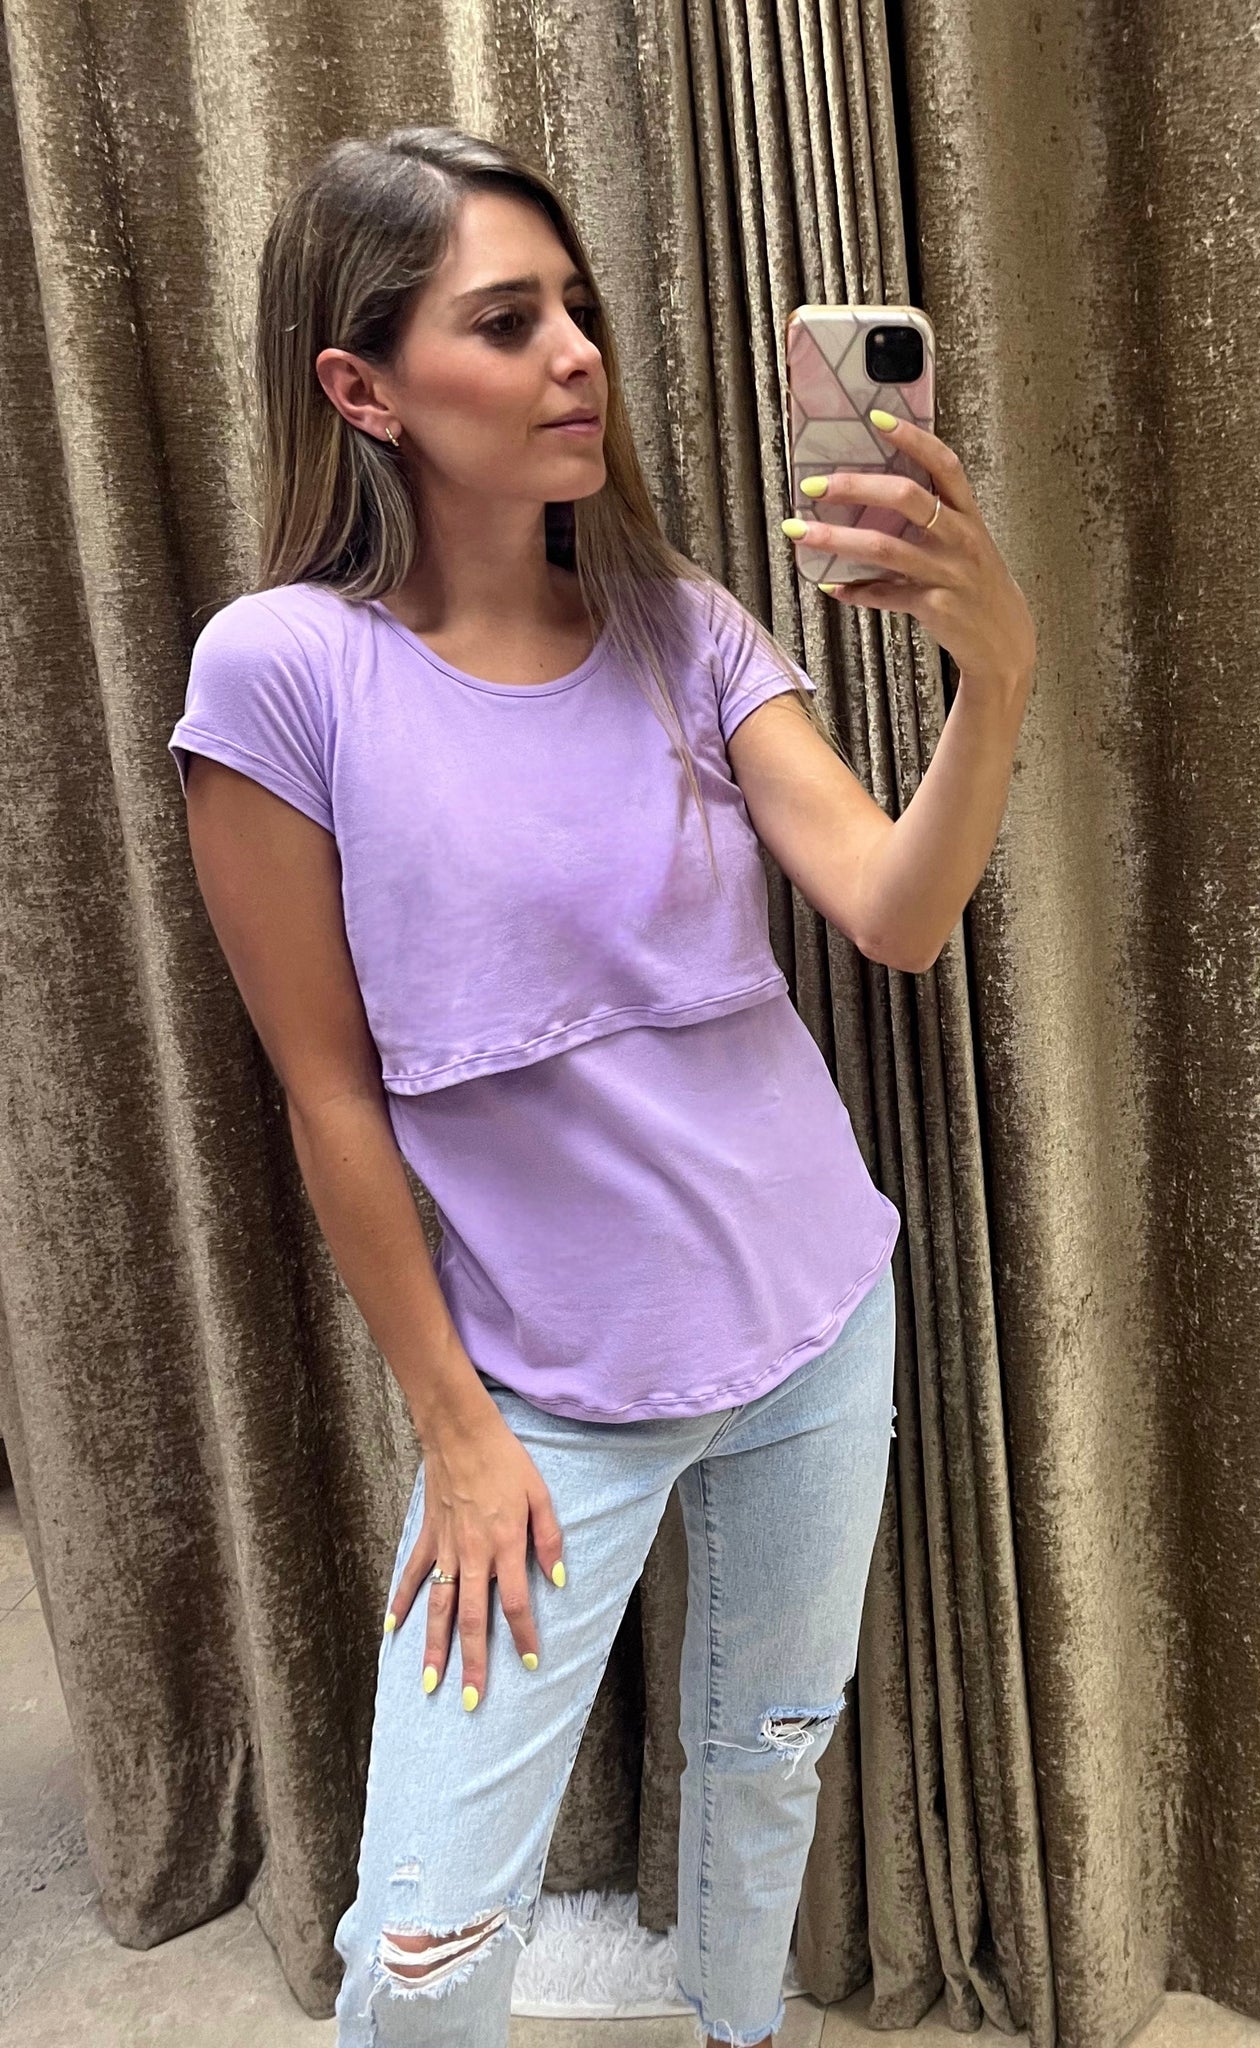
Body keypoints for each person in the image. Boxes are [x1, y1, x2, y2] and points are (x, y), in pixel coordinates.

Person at [167, 124, 1033, 2048]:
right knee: (423, 1941)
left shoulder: (684, 626)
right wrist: (454, 1426)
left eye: (577, 310)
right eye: (505, 321)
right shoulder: (282, 674)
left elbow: (896, 915)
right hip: (545, 1390)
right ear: (361, 388)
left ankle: (735, 2030)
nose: (577, 354)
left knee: (769, 1759)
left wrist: (994, 676)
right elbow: (327, 1097)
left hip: (817, 1317)